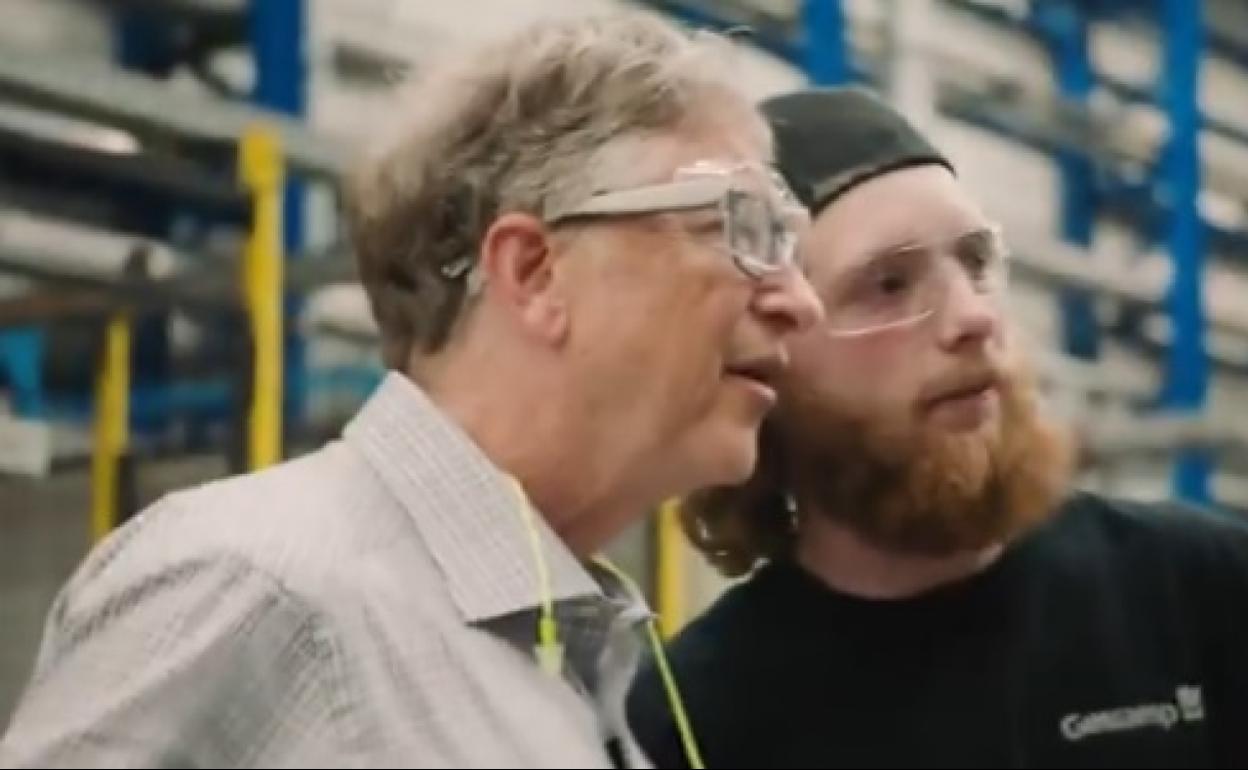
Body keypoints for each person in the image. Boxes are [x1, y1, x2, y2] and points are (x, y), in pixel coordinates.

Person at [0, 14, 823, 768]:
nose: (801, 300)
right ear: (535, 273)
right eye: (741, 228)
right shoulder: (256, 587)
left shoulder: (579, 666)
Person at [627, 86, 1248, 769]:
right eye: (889, 284)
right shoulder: (690, 722)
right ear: (765, 360)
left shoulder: (1195, 592)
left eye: (977, 261)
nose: (973, 318)